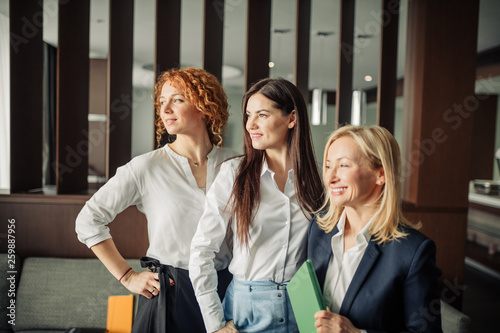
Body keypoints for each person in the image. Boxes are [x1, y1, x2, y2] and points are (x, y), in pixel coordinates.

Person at [76, 67, 238, 333]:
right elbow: (88, 220)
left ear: (205, 106)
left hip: (225, 289)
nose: (165, 109)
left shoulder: (237, 164)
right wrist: (127, 276)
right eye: (162, 101)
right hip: (169, 293)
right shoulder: (145, 167)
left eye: (177, 99)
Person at [189, 77, 325, 333]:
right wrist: (215, 324)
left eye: (261, 115)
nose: (251, 124)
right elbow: (201, 251)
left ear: (292, 118)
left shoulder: (319, 180)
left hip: (303, 308)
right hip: (245, 310)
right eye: (249, 115)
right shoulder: (233, 174)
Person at [308, 125, 442, 333]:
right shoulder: (319, 229)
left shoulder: (413, 252)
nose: (330, 177)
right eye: (327, 166)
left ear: (381, 174)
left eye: (343, 165)